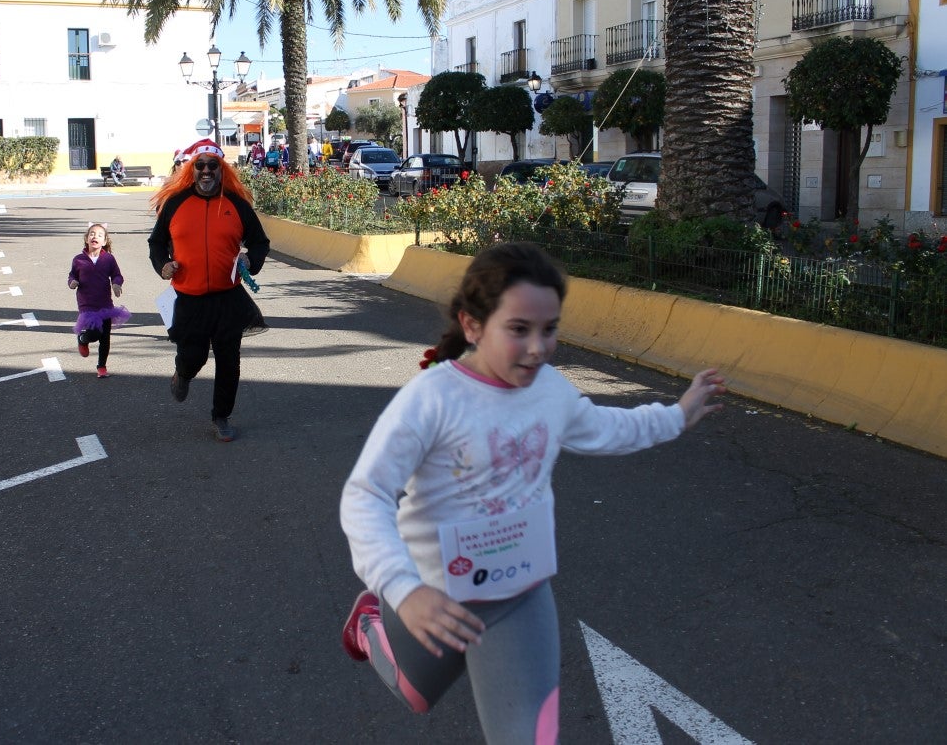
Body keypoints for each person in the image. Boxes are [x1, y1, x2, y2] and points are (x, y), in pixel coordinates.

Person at [338, 242, 726, 743]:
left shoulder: (551, 390)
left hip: (520, 592)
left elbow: (607, 428)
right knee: (413, 692)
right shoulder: (432, 399)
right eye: (519, 330)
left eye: (550, 329)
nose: (539, 348)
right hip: (434, 592)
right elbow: (366, 496)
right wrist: (401, 589)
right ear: (473, 326)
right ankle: (372, 623)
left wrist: (678, 415)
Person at [148, 139, 270, 442]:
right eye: (199, 165)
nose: (206, 171)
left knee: (229, 360)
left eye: (212, 166)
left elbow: (260, 242)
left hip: (227, 298)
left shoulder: (236, 205)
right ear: (192, 169)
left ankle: (221, 416)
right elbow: (156, 243)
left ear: (221, 169)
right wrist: (163, 264)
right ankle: (183, 373)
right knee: (194, 355)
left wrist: (249, 259)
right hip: (188, 299)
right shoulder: (175, 203)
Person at [68, 223, 131, 378]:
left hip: (105, 304)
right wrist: (72, 282)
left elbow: (117, 274)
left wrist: (116, 284)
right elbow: (72, 276)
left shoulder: (108, 258)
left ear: (104, 242)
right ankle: (83, 339)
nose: (95, 236)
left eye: (99, 235)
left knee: (105, 337)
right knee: (95, 333)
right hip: (87, 304)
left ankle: (101, 366)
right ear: (87, 238)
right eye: (92, 234)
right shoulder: (79, 260)